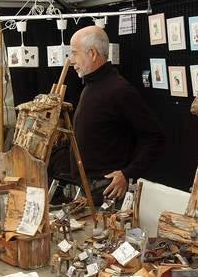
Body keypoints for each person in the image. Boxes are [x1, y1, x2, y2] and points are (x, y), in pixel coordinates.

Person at [68, 26, 164, 203]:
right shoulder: (90, 86)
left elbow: (154, 136)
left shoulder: (119, 89)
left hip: (108, 191)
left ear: (92, 53)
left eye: (74, 53)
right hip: (87, 187)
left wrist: (127, 174)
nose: (71, 60)